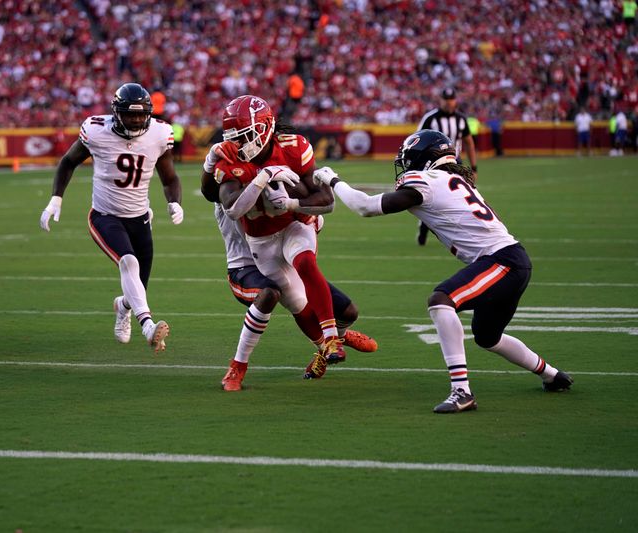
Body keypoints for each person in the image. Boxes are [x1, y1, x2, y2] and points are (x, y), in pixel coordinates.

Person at [315, 130, 573, 413]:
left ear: (425, 159)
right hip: (509, 260)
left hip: (501, 261)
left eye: (410, 159)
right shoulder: (455, 180)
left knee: (441, 301)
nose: (406, 165)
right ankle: (552, 375)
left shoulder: (425, 181)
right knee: (488, 337)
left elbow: (364, 207)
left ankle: (461, 391)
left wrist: (332, 178)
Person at [201, 157, 377, 390]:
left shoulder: (269, 179)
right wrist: (212, 162)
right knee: (271, 294)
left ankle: (335, 339)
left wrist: (303, 213)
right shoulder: (232, 194)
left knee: (348, 310)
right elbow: (215, 194)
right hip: (244, 268)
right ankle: (237, 366)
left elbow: (311, 218)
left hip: (281, 260)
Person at [40, 82, 183, 353]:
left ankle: (122, 307)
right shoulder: (96, 131)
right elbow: (68, 162)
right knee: (128, 263)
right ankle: (148, 326)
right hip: (105, 215)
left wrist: (174, 202)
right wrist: (56, 198)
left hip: (140, 218)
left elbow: (170, 177)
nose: (137, 119)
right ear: (117, 113)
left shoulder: (159, 134)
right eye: (131, 114)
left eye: (142, 114)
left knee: (138, 286)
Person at [210, 95, 343, 380]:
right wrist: (262, 178)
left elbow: (326, 201)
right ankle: (323, 347)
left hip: (293, 224)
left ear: (264, 128)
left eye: (245, 136)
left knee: (306, 262)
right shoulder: (230, 157)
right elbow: (232, 208)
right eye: (235, 138)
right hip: (260, 242)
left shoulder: (293, 148)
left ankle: (332, 337)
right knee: (297, 302)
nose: (239, 145)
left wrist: (295, 204)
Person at [415, 87, 478, 245]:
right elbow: (417, 139)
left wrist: (474, 167)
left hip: (456, 163)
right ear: (440, 100)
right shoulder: (430, 118)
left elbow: (469, 142)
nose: (449, 103)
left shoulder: (461, 119)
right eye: (445, 99)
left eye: (451, 99)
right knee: (431, 198)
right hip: (434, 164)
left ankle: (466, 233)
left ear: (456, 100)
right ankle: (424, 228)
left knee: (463, 197)